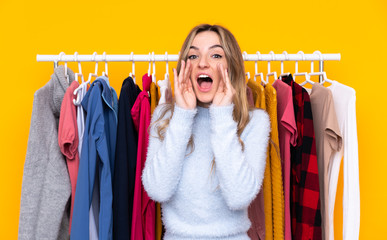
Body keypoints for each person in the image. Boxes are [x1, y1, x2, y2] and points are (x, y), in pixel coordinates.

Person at [142, 23, 271, 240]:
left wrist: (222, 115)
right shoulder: (165, 117)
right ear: (185, 66)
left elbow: (239, 196)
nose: (202, 63)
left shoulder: (255, 121)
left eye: (216, 55)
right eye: (193, 56)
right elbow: (157, 189)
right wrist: (182, 115)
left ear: (231, 66)